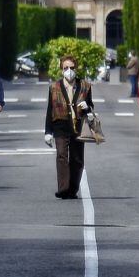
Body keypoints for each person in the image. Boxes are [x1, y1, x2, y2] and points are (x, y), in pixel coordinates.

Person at [42, 56, 95, 199]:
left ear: (76, 69)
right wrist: (48, 132)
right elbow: (50, 109)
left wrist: (87, 108)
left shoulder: (85, 85)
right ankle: (63, 188)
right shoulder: (54, 87)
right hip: (60, 125)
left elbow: (90, 106)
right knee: (61, 155)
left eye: (72, 68)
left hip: (78, 126)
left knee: (77, 159)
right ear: (61, 69)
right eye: (66, 68)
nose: (69, 71)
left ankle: (72, 189)